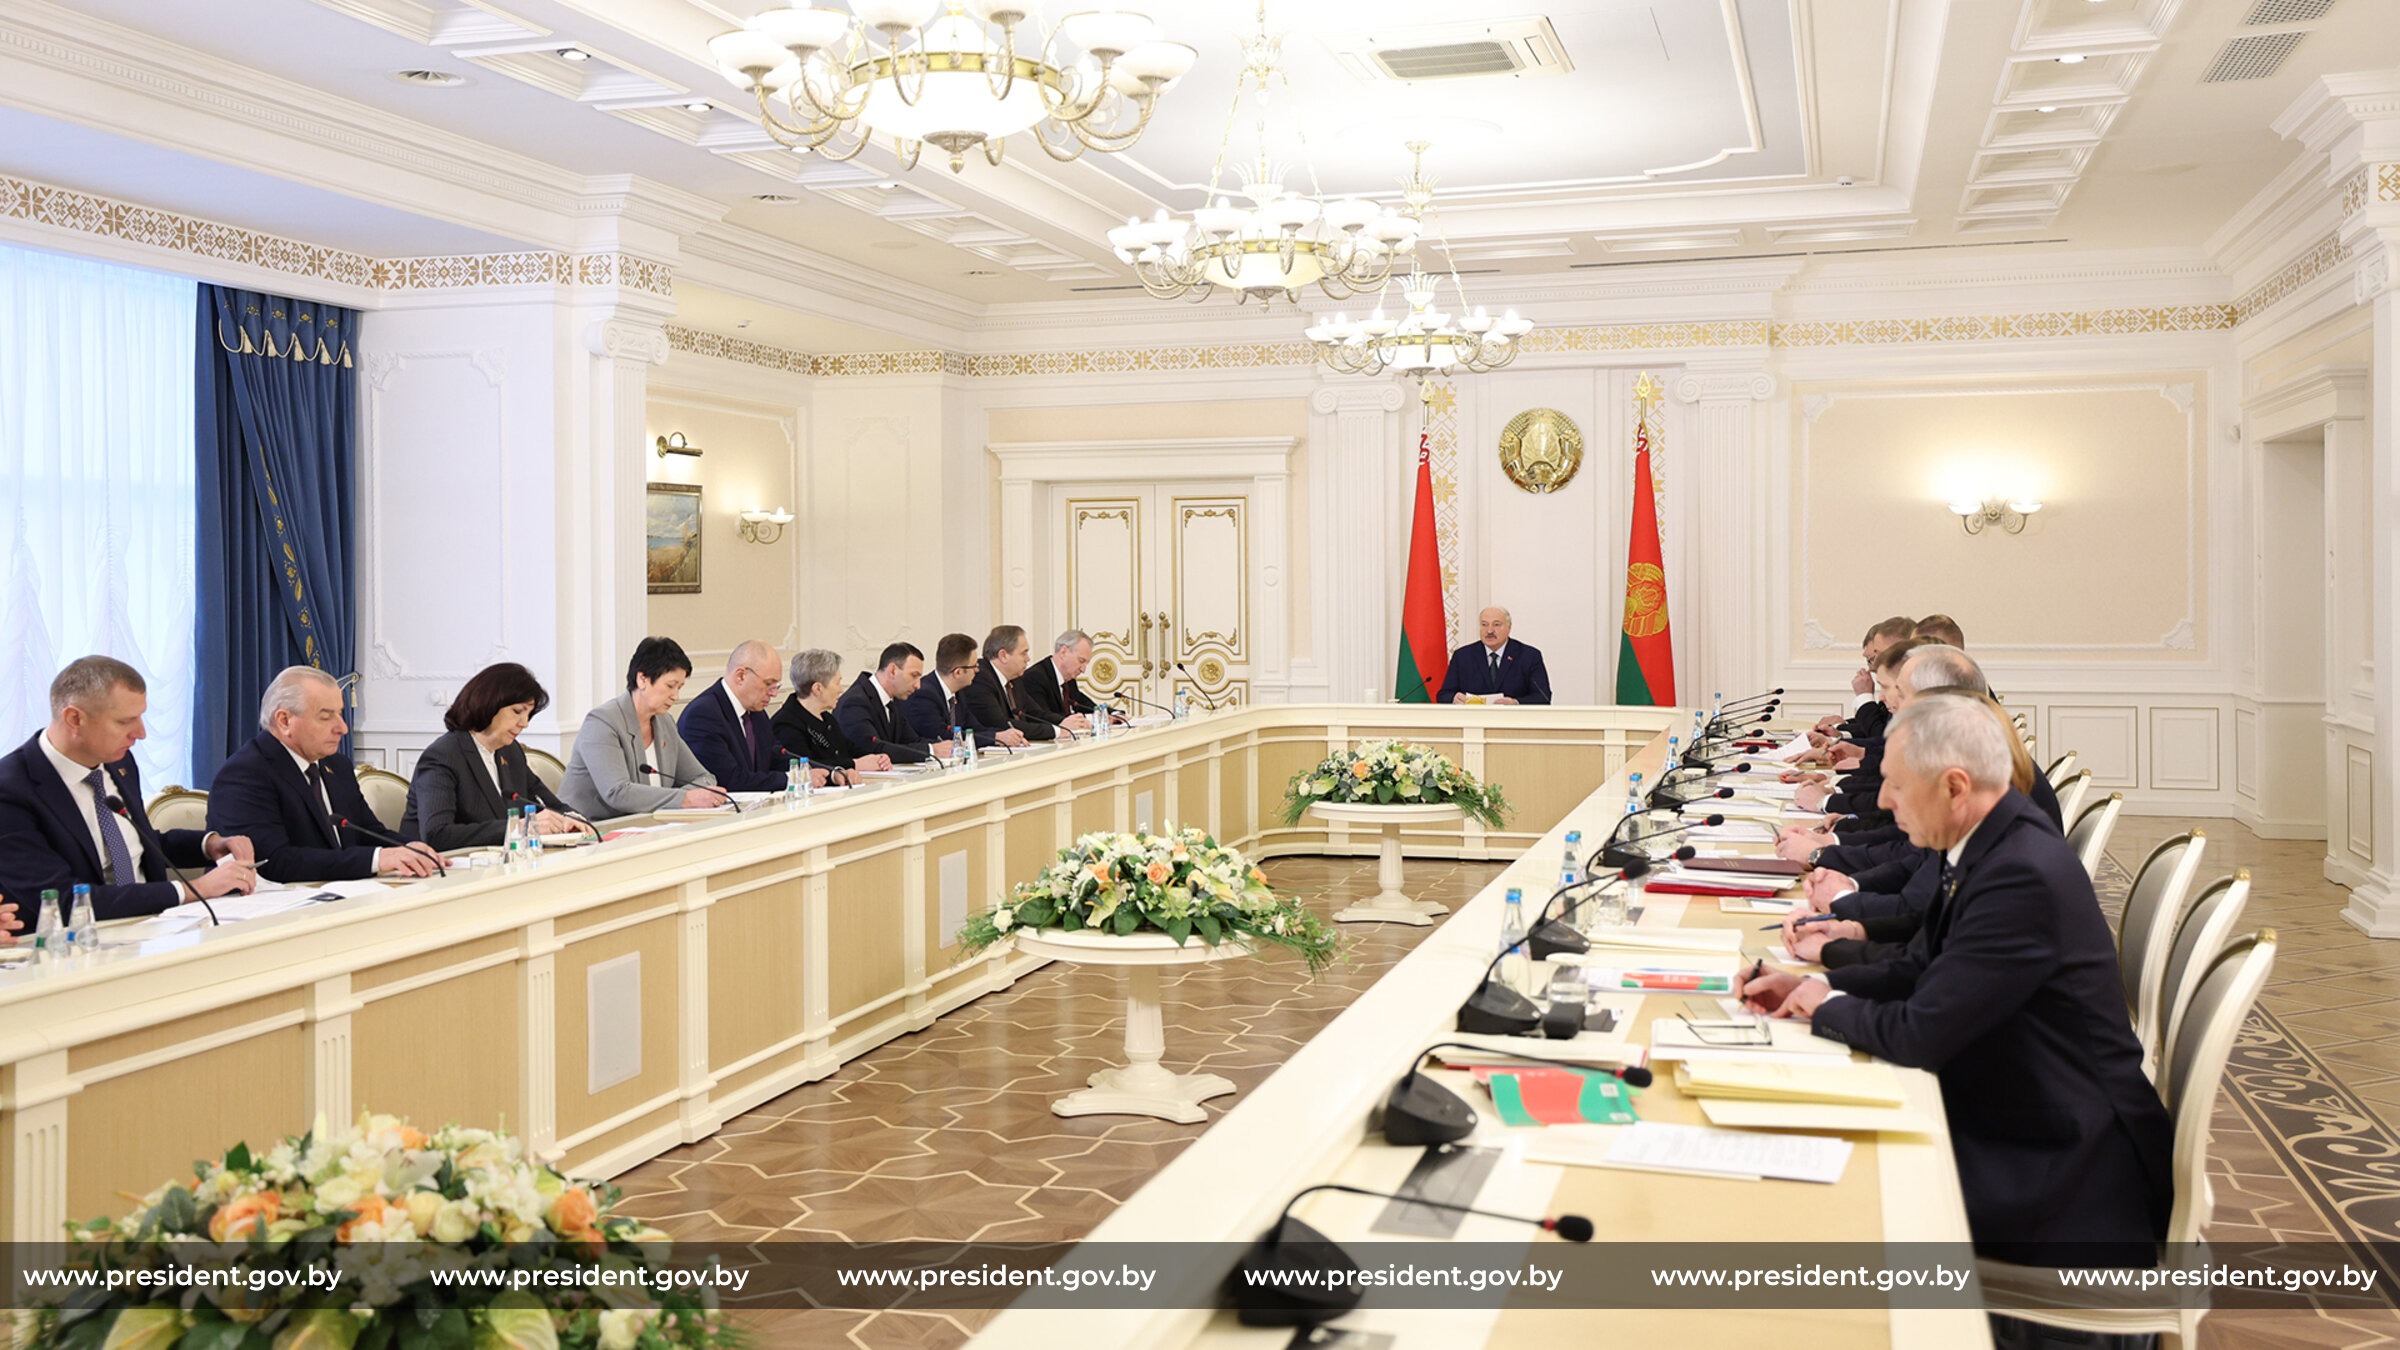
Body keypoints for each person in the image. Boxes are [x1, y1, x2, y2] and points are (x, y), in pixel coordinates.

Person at [1737, 695, 2172, 1264]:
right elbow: (1922, 965)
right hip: (2024, 1113)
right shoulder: (1993, 841)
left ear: (1955, 786)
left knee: (1827, 1198)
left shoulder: (2019, 873)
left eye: (1896, 785)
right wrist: (1811, 987)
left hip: (2063, 1171)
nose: (1884, 800)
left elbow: (1920, 1034)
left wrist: (1823, 1005)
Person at [0, 656, 257, 923]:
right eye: (125, 721)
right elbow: (61, 901)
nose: (140, 733)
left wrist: (209, 845)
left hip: (158, 925)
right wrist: (195, 889)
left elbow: (138, 842)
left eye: (141, 717)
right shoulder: (11, 790)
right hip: (80, 938)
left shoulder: (118, 761)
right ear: (74, 718)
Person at [209, 666, 440, 882]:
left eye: (340, 714)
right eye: (326, 716)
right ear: (284, 720)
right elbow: (273, 863)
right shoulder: (245, 774)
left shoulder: (336, 765)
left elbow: (368, 831)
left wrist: (412, 848)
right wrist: (378, 859)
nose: (343, 728)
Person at [400, 662, 581, 851]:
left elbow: (550, 804)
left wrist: (572, 819)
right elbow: (437, 835)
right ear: (488, 704)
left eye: (528, 714)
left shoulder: (510, 752)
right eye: (517, 712)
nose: (524, 723)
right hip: (440, 865)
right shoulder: (442, 756)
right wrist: (517, 827)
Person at [559, 637, 723, 820]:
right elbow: (617, 792)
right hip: (590, 828)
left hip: (647, 825)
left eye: (680, 687)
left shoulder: (665, 722)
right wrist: (685, 799)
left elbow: (704, 778)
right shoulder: (601, 722)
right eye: (670, 686)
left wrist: (686, 798)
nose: (676, 696)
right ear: (642, 679)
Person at [678, 640, 827, 793]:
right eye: (768, 684)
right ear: (741, 676)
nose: (774, 693)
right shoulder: (702, 715)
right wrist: (792, 779)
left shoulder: (756, 711)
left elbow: (775, 756)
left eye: (776, 685)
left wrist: (826, 773)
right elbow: (729, 780)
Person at [771, 649, 888, 781]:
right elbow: (807, 767)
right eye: (837, 683)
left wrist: (878, 759)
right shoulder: (786, 724)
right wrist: (855, 764)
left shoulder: (827, 718)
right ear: (818, 689)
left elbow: (850, 749)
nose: (841, 689)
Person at [838, 643, 953, 766]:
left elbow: (911, 740)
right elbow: (873, 749)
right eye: (914, 676)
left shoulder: (893, 701)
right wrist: (931, 750)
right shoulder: (855, 702)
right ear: (893, 671)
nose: (918, 685)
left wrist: (942, 747)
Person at [907, 633, 1026, 749]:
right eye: (974, 666)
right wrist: (995, 737)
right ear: (958, 672)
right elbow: (942, 736)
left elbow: (975, 728)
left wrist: (1005, 735)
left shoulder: (959, 693)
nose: (977, 670)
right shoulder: (923, 695)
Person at [1438, 607, 1552, 705]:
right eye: (1484, 625)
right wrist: (1454, 697)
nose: (1489, 631)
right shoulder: (1463, 656)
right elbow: (1444, 695)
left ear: (1509, 627)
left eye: (1496, 625)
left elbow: (1543, 696)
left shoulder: (1529, 656)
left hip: (1514, 721)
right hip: (1473, 721)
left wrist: (1515, 703)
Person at [956, 626, 1048, 745]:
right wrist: (1055, 732)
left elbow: (1035, 713)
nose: (1028, 659)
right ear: (1003, 655)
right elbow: (1000, 724)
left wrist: (1062, 725)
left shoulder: (1014, 679)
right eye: (1024, 653)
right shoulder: (980, 678)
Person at [1011, 630, 1098, 731]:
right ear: (1063, 652)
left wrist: (1106, 713)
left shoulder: (1069, 677)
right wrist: (1087, 719)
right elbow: (1041, 716)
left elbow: (1083, 703)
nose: (1083, 669)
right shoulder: (1035, 677)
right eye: (1081, 661)